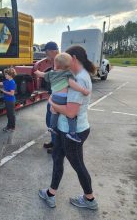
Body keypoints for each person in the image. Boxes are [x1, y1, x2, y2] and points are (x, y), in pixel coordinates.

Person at [38, 46, 98, 210]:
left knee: (78, 164)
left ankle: (90, 199)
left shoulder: (79, 79)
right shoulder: (75, 76)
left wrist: (52, 103)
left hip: (74, 131)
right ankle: (50, 194)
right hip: (63, 129)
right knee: (57, 158)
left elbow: (71, 112)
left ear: (73, 58)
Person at [34, 53, 90, 143]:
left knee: (54, 111)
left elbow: (42, 74)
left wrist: (36, 72)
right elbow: (73, 84)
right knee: (71, 116)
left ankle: (52, 127)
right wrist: (84, 91)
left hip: (55, 97)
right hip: (63, 98)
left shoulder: (51, 73)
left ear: (55, 65)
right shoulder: (67, 74)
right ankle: (72, 133)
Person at [40, 42, 60, 153]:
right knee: (49, 121)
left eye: (46, 52)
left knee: (54, 122)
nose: (46, 54)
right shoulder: (54, 61)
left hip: (58, 98)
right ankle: (53, 141)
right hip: (53, 96)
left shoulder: (61, 61)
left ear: (53, 51)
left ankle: (57, 145)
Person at [0, 67, 17, 132]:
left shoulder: (12, 82)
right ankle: (9, 126)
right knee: (9, 114)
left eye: (6, 74)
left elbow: (12, 93)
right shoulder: (6, 81)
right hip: (7, 100)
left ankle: (12, 127)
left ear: (10, 75)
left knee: (11, 114)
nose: (5, 75)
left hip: (10, 101)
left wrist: (3, 91)